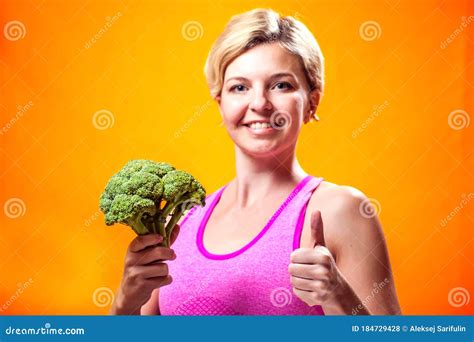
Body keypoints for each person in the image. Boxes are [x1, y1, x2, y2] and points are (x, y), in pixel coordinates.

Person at [110, 8, 401, 316]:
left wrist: (338, 295)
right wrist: (124, 303)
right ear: (221, 103)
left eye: (281, 85)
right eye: (239, 87)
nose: (260, 103)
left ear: (312, 101)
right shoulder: (182, 221)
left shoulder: (341, 211)